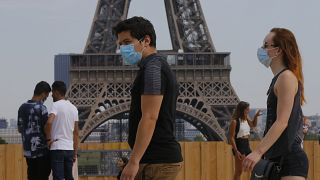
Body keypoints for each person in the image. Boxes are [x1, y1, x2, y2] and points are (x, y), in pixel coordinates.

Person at [113, 16, 183, 180]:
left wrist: (134, 161)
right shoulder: (152, 67)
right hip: (154, 161)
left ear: (146, 40)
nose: (123, 48)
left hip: (157, 163)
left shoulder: (153, 69)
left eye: (127, 42)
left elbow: (150, 117)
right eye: (120, 44)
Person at [242, 28, 309, 180]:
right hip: (279, 160)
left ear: (278, 50)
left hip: (289, 161)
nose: (262, 49)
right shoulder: (280, 78)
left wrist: (258, 152)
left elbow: (281, 121)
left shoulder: (286, 78)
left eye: (266, 45)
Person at [45, 81, 79, 180]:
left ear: (56, 92)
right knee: (69, 177)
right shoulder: (74, 108)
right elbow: (76, 133)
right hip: (69, 148)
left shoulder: (56, 105)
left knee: (58, 177)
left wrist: (48, 140)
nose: (51, 95)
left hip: (57, 147)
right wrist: (75, 152)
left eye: (52, 92)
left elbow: (49, 123)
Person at [17, 81, 52, 180]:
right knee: (43, 176)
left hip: (28, 151)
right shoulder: (42, 108)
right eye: (47, 95)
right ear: (43, 93)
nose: (46, 98)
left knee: (31, 176)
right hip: (42, 151)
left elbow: (20, 129)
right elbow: (47, 129)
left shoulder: (22, 107)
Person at [229, 101, 261, 180]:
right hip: (239, 145)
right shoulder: (235, 121)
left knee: (253, 167)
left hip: (246, 144)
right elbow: (231, 137)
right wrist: (236, 151)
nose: (249, 110)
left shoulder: (246, 119)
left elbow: (253, 125)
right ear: (242, 110)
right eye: (247, 109)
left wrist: (256, 116)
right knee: (239, 171)